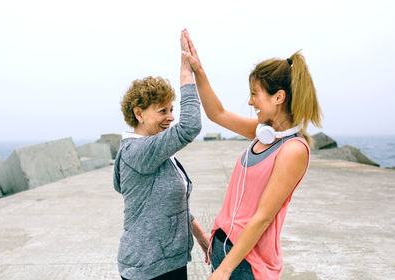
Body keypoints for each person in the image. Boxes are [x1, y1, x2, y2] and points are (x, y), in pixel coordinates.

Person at [180, 29, 322, 280]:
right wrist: (198, 71)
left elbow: (263, 217)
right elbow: (218, 114)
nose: (250, 102)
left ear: (279, 97)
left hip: (247, 264)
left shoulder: (292, 150)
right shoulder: (263, 133)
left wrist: (225, 270)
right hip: (223, 251)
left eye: (255, 94)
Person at [113, 36, 210, 280]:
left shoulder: (155, 152)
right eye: (162, 111)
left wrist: (201, 237)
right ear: (139, 113)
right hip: (149, 267)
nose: (170, 117)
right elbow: (189, 127)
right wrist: (187, 74)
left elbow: (165, 204)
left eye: (171, 110)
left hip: (167, 262)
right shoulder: (138, 152)